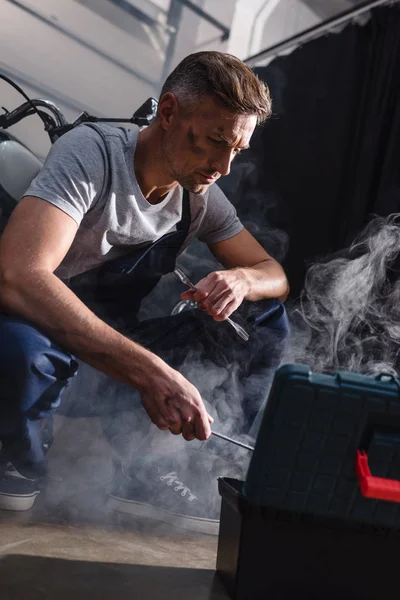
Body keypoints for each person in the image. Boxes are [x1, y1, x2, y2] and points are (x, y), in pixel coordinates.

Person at [0, 51, 289, 532]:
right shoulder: (92, 154)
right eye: (215, 140)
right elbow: (18, 273)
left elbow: (272, 271)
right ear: (170, 113)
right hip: (44, 350)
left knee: (263, 321)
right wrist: (152, 371)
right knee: (19, 349)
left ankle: (153, 468)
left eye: (235, 150)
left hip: (111, 367)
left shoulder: (199, 198)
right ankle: (17, 453)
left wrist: (241, 279)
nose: (223, 166)